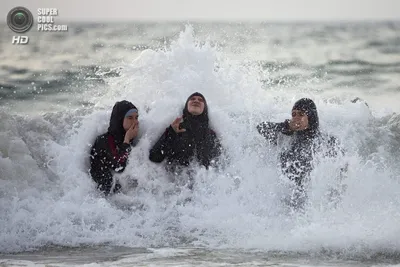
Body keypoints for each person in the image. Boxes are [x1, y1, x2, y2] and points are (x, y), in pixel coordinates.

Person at [256, 98, 345, 209]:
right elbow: (261, 128)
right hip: (285, 199)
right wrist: (287, 127)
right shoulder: (286, 137)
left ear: (310, 117)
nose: (296, 118)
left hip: (312, 203)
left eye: (301, 114)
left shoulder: (326, 142)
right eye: (294, 114)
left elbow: (341, 173)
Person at [149, 92, 222, 189]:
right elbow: (155, 157)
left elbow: (219, 165)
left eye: (200, 100)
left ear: (205, 109)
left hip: (203, 191)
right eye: (192, 99)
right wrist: (171, 132)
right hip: (174, 190)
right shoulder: (175, 128)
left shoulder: (211, 134)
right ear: (186, 106)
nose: (196, 100)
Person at [89, 100, 139, 195]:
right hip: (103, 194)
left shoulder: (127, 136)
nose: (135, 122)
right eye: (130, 118)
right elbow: (119, 167)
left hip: (119, 191)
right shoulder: (105, 140)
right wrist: (127, 140)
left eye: (136, 117)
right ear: (120, 119)